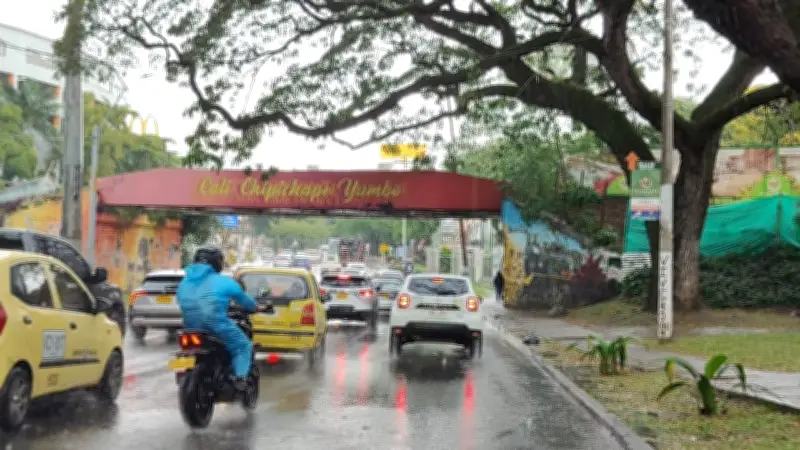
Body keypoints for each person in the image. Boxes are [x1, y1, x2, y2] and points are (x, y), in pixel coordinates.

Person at [177, 245, 259, 391]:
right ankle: (240, 378)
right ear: (217, 263)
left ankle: (181, 371)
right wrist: (256, 308)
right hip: (216, 325)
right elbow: (246, 302)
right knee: (243, 346)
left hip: (190, 327)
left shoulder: (184, 282)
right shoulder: (225, 282)